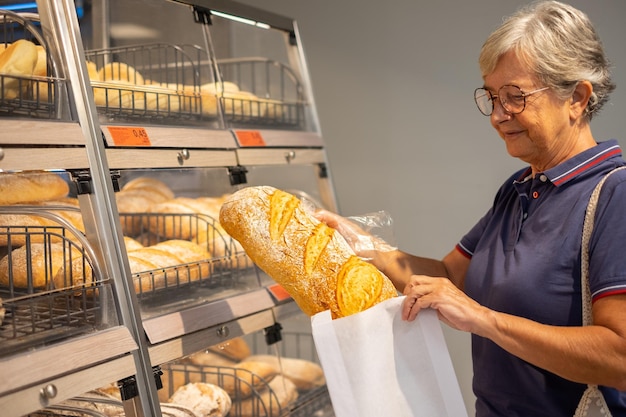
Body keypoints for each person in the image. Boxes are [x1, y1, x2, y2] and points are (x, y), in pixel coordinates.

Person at [315, 1, 626, 415]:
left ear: (577, 97)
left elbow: (619, 357)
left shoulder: (614, 194)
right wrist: (361, 245)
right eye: (492, 97)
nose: (498, 115)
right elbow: (449, 278)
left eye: (515, 97)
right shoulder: (518, 189)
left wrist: (483, 319)